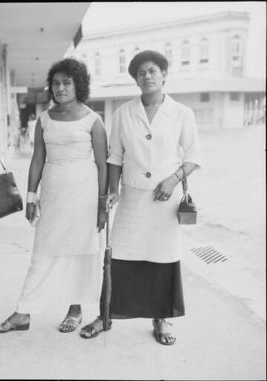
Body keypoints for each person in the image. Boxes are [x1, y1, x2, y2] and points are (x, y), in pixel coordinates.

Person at [80, 50, 202, 345]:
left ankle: (161, 319)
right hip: (132, 198)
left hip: (165, 200)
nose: (146, 76)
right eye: (140, 73)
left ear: (163, 75)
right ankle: (105, 314)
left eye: (152, 71)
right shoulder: (123, 113)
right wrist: (111, 191)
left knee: (162, 260)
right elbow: (115, 157)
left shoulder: (183, 113)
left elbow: (194, 156)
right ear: (135, 79)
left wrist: (172, 181)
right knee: (119, 258)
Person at [0, 58, 108, 333]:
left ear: (79, 85)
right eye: (56, 83)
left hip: (84, 196)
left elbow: (103, 164)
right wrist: (31, 197)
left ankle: (75, 308)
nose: (60, 87)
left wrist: (102, 205)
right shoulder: (44, 120)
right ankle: (24, 312)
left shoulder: (94, 120)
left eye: (67, 82)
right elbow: (37, 160)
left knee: (80, 251)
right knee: (42, 252)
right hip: (53, 194)